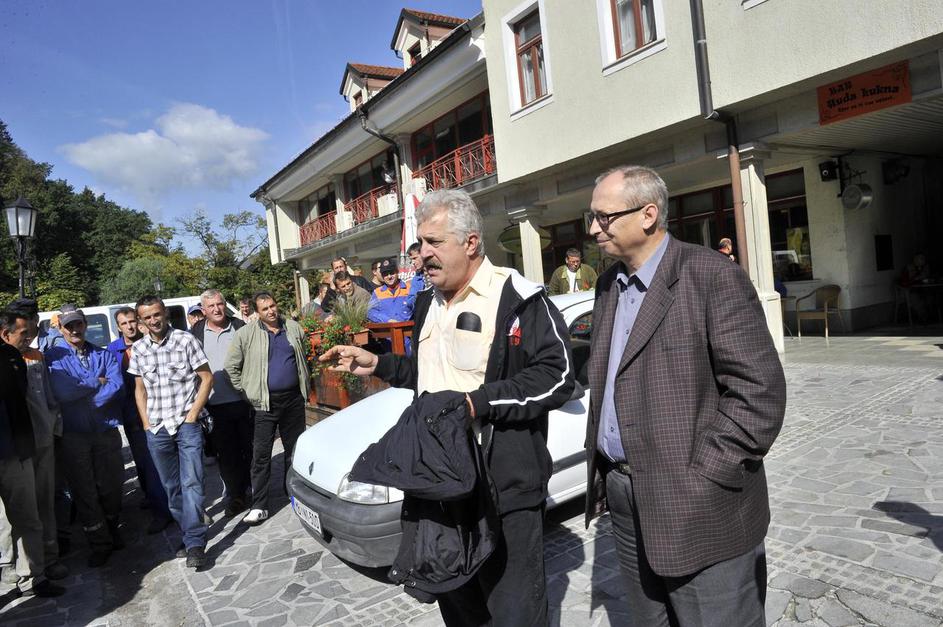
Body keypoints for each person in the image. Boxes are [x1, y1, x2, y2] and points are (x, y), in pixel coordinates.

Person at [320, 188, 574, 626]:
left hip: (501, 488)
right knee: (458, 605)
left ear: (471, 242)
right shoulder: (427, 302)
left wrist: (478, 403)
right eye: (421, 243)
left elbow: (557, 375)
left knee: (513, 610)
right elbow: (430, 375)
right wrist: (380, 364)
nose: (423, 254)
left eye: (434, 242)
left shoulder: (520, 298)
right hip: (438, 486)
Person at [584, 165, 786, 626]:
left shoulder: (710, 276)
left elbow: (759, 392)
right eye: (591, 217)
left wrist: (705, 474)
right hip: (624, 494)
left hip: (699, 504)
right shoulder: (607, 285)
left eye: (604, 217)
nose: (594, 228)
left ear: (648, 215)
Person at [128, 295, 214, 569]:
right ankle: (189, 533)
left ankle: (195, 543)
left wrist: (193, 415)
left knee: (193, 482)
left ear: (164, 313)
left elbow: (207, 377)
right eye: (147, 317)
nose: (153, 321)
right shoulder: (139, 349)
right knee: (171, 487)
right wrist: (146, 424)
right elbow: (139, 390)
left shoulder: (185, 340)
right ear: (141, 321)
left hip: (186, 424)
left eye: (157, 314)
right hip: (157, 428)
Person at [45, 307, 125, 568]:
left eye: (78, 324)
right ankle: (100, 543)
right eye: (68, 326)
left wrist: (89, 398)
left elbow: (116, 385)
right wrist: (95, 382)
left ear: (85, 324)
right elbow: (63, 391)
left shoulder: (104, 354)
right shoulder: (53, 358)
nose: (74, 330)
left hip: (105, 431)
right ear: (60, 329)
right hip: (74, 436)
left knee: (112, 486)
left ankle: (112, 527)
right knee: (85, 491)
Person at [225, 292, 309, 526]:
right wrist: (246, 392)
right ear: (257, 312)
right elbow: (231, 367)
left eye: (273, 305)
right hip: (264, 403)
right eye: (265, 309)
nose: (271, 311)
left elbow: (303, 357)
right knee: (261, 455)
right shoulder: (246, 334)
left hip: (293, 399)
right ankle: (259, 505)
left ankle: (293, 493)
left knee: (294, 450)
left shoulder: (293, 328)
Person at [0, 299, 68, 582]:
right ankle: (10, 564)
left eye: (32, 330)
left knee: (42, 503)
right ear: (6, 332)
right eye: (24, 332)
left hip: (38, 442)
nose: (29, 337)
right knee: (9, 514)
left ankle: (47, 559)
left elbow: (49, 399)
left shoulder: (35, 357)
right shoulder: (10, 358)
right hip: (11, 448)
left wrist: (54, 430)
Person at [105, 307, 172, 534]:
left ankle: (170, 507)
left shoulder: (150, 343)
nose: (130, 326)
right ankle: (157, 505)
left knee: (163, 461)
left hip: (158, 410)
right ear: (118, 327)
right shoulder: (112, 351)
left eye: (132, 321)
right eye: (124, 323)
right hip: (132, 416)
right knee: (144, 463)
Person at [190, 290, 253, 518]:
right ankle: (237, 496)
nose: (217, 309)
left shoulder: (240, 327)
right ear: (203, 310)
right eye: (211, 306)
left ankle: (255, 488)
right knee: (226, 454)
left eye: (220, 304)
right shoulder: (195, 333)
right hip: (215, 404)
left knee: (251, 449)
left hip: (244, 400)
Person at [367, 258, 413, 323]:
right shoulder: (377, 292)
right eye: (385, 274)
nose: (389, 277)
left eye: (391, 273)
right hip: (387, 328)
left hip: (408, 328)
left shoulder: (410, 288)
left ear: (397, 272)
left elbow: (417, 309)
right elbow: (370, 312)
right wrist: (387, 320)